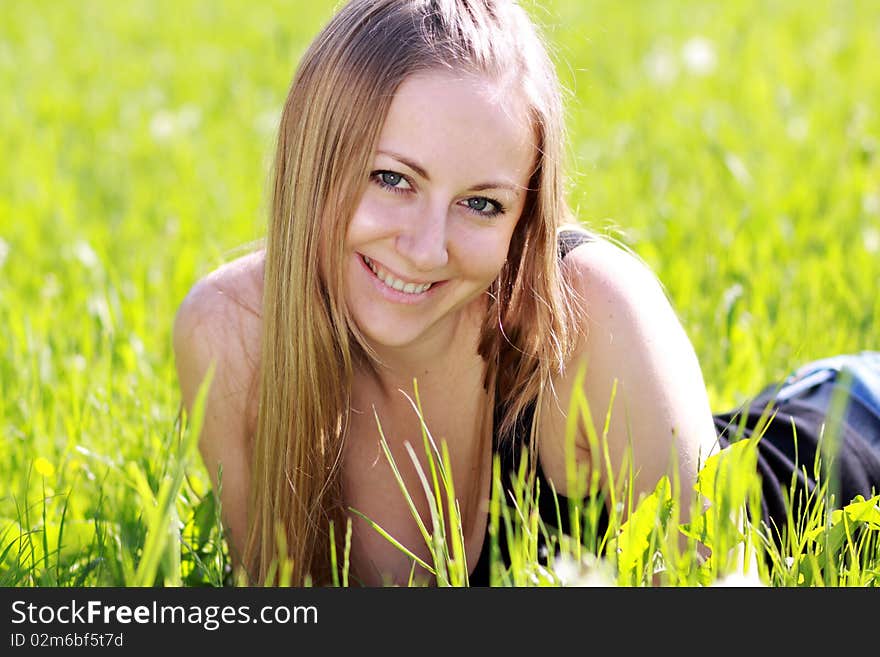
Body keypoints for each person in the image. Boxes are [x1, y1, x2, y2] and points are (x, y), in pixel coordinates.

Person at [172, 0, 880, 587]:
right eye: (392, 179)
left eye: (481, 204)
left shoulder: (591, 311)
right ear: (312, 158)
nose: (426, 247)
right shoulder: (234, 336)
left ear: (525, 219)